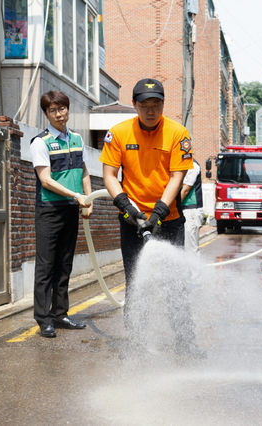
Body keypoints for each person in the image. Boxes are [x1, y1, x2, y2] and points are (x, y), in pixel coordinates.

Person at [99, 78, 205, 358]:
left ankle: (186, 342)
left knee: (175, 284)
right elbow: (109, 176)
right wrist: (126, 207)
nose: (150, 111)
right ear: (134, 105)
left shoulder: (178, 133)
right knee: (135, 281)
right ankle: (136, 343)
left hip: (168, 218)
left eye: (156, 105)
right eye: (144, 105)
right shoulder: (118, 133)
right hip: (132, 218)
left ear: (162, 105)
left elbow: (177, 177)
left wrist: (158, 212)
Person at [31, 91, 92, 338]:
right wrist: (76, 196)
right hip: (49, 210)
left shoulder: (76, 139)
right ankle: (43, 319)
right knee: (46, 266)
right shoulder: (40, 142)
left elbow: (84, 171)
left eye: (62, 109)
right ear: (46, 114)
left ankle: (60, 314)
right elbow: (45, 180)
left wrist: (87, 199)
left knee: (64, 264)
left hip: (71, 209)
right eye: (53, 111)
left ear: (68, 109)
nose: (59, 114)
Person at [180, 159, 204, 254]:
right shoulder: (178, 164)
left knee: (190, 249)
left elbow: (185, 190)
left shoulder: (192, 165)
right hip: (182, 209)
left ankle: (194, 268)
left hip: (191, 210)